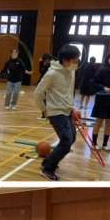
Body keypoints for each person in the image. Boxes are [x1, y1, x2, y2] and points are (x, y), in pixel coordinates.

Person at [34, 44, 81, 181]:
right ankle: (47, 169)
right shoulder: (52, 74)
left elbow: (68, 92)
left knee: (72, 138)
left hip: (67, 111)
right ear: (65, 60)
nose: (77, 63)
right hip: (55, 112)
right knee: (66, 142)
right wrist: (44, 110)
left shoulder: (71, 71)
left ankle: (48, 161)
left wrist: (71, 107)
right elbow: (38, 93)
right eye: (75, 60)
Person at [36, 53, 53, 119]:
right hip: (44, 84)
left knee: (45, 100)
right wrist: (40, 63)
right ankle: (44, 115)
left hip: (47, 84)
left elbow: (44, 74)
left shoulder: (50, 65)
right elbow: (40, 71)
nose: (45, 61)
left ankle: (46, 115)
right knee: (43, 99)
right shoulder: (45, 65)